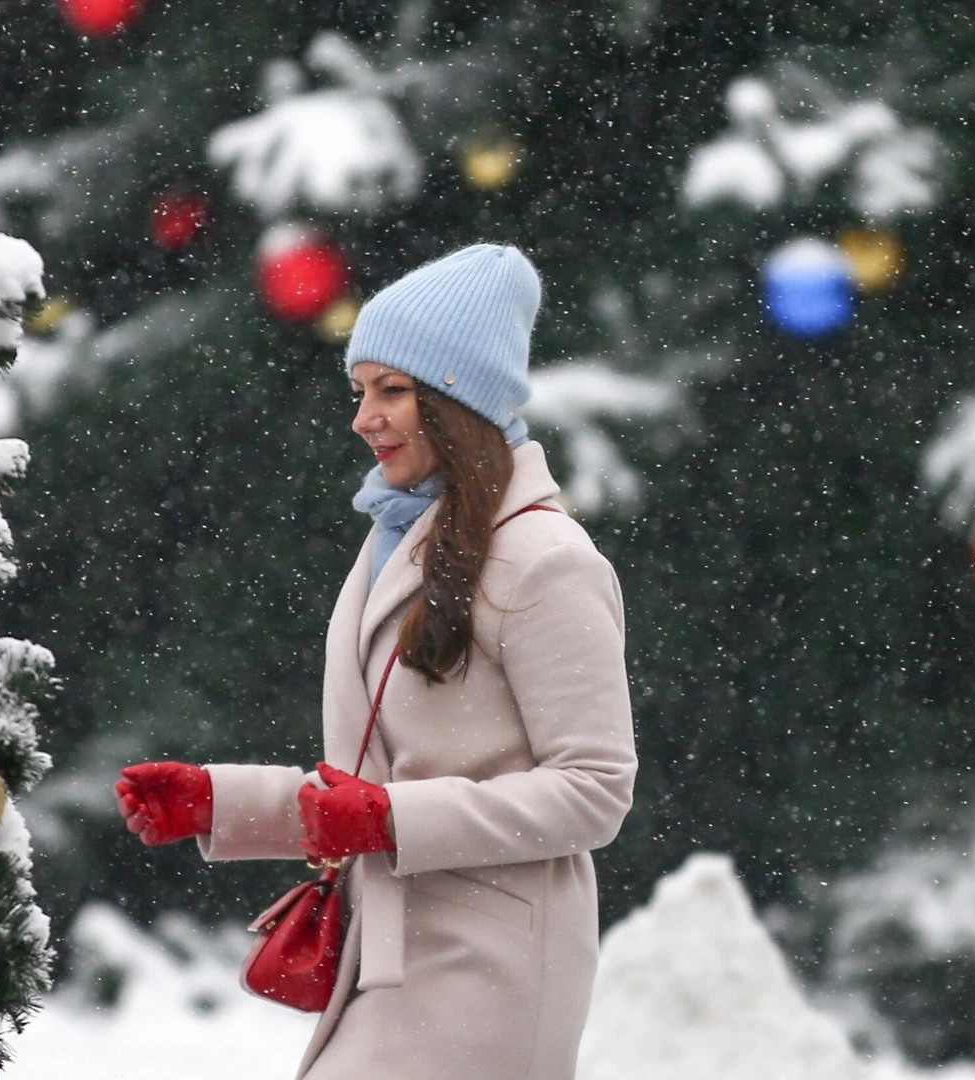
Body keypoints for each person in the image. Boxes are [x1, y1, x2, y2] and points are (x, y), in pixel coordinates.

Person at [115, 244, 637, 1080]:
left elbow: (595, 789)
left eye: (392, 390)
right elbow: (368, 785)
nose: (364, 417)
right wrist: (224, 802)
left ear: (457, 400)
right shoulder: (394, 542)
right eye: (360, 391)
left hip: (493, 972)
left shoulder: (546, 560)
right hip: (389, 957)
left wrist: (391, 820)